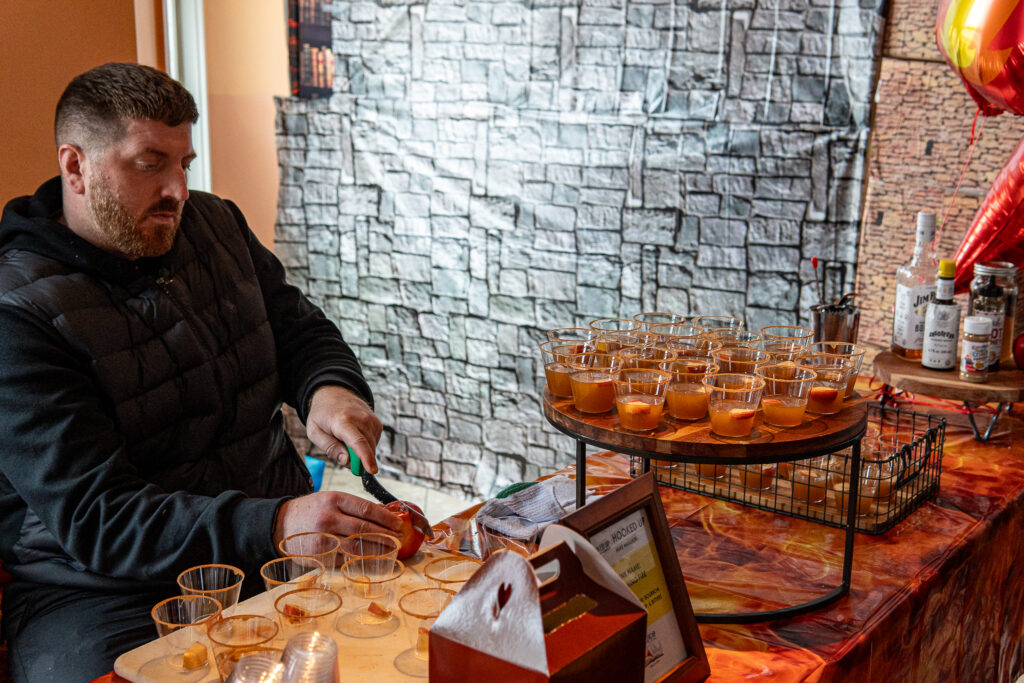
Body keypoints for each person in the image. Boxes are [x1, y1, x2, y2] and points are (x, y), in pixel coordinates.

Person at [0, 62, 401, 682]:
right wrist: (276, 521)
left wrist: (329, 389)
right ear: (75, 166)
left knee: (399, 648)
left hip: (269, 548)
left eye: (183, 163)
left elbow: (298, 328)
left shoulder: (215, 224)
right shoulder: (17, 314)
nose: (178, 190)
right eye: (149, 163)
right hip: (104, 593)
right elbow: (98, 519)